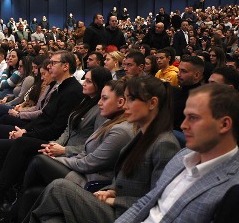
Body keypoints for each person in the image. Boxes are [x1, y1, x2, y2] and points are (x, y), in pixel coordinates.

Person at [24, 76, 180, 222]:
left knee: (59, 187)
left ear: (152, 103)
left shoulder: (164, 143)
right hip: (111, 200)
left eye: (131, 99)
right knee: (50, 216)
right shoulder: (141, 133)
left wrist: (114, 199)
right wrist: (111, 190)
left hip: (126, 214)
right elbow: (123, 178)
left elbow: (158, 199)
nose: (125, 105)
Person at [0, 51, 89, 218]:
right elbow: (44, 117)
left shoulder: (72, 91)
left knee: (18, 143)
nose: (49, 66)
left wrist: (25, 135)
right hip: (41, 132)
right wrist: (25, 130)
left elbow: (57, 128)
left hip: (53, 139)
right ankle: (8, 194)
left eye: (53, 63)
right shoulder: (60, 87)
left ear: (65, 66)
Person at [116, 84, 239, 222]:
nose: (183, 125)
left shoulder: (233, 187)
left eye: (193, 118)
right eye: (185, 117)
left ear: (224, 125)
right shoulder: (182, 156)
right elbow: (147, 201)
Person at [19, 78, 135, 221]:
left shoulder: (120, 131)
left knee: (39, 160)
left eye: (104, 99)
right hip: (81, 168)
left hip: (91, 181)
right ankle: (14, 207)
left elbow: (90, 162)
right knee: (32, 192)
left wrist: (60, 158)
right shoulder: (109, 120)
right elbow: (83, 148)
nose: (99, 103)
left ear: (121, 102)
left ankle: (11, 205)